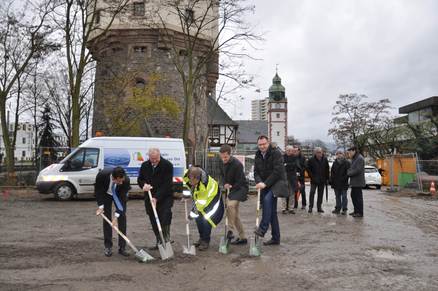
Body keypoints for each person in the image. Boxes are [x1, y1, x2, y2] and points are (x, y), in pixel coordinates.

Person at [253, 135, 288, 246]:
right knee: (272, 213)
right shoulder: (257, 155)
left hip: (278, 182)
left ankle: (262, 229)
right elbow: (256, 172)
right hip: (265, 184)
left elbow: (277, 171)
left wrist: (265, 183)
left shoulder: (276, 153)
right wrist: (259, 182)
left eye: (264, 144)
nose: (262, 146)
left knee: (268, 201)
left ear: (268, 143)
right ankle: (276, 238)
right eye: (260, 145)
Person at [137, 148, 174, 249]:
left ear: (159, 156)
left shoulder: (167, 165)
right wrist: (143, 185)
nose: (154, 161)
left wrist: (156, 198)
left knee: (165, 216)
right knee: (153, 219)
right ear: (149, 157)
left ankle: (166, 239)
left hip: (165, 196)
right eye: (152, 159)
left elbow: (167, 185)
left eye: (156, 159)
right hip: (149, 196)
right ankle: (159, 241)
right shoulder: (145, 165)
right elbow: (140, 179)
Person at [184, 166, 224, 250]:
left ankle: (205, 241)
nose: (192, 184)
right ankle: (201, 238)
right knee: (198, 218)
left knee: (206, 219)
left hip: (212, 201)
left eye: (194, 182)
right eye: (190, 181)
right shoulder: (187, 175)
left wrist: (191, 215)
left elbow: (200, 204)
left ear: (198, 179)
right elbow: (186, 185)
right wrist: (185, 195)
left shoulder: (205, 185)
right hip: (201, 201)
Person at [95, 166, 131, 257]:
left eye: (122, 180)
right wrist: (100, 206)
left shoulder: (125, 180)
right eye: (119, 181)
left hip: (119, 195)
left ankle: (122, 247)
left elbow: (122, 200)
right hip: (106, 194)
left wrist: (116, 216)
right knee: (107, 218)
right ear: (113, 178)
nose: (121, 182)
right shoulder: (102, 175)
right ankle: (108, 247)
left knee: (122, 216)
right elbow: (98, 191)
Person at [219, 144, 248, 245]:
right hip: (230, 189)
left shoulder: (237, 164)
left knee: (230, 206)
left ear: (230, 155)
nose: (223, 159)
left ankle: (230, 231)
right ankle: (243, 237)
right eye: (222, 157)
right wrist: (225, 184)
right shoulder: (222, 163)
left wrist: (231, 186)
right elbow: (222, 176)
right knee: (234, 215)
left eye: (225, 157)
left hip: (240, 189)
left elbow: (240, 181)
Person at [306, 147, 330, 213]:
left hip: (322, 180)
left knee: (320, 194)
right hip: (314, 180)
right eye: (318, 152)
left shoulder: (325, 159)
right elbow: (308, 169)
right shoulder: (311, 160)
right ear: (315, 153)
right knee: (312, 193)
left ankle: (319, 207)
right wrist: (312, 177)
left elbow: (327, 169)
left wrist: (327, 178)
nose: (319, 154)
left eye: (320, 152)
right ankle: (310, 207)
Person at [330, 149, 350, 215]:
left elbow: (348, 173)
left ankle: (344, 209)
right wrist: (331, 180)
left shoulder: (346, 162)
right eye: (337, 154)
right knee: (337, 196)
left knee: (344, 196)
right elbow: (332, 172)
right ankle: (338, 208)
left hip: (344, 182)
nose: (339, 155)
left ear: (343, 154)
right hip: (336, 183)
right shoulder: (334, 163)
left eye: (340, 153)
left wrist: (344, 178)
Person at [347, 146, 365, 218]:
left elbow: (357, 170)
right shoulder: (354, 158)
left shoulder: (360, 158)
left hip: (358, 182)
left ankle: (360, 212)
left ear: (354, 151)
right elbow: (351, 168)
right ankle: (356, 211)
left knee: (358, 197)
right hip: (354, 182)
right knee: (353, 196)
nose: (349, 154)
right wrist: (349, 171)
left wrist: (348, 173)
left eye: (350, 152)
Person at [283, 145, 299, 214]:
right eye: (288, 150)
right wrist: (289, 165)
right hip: (284, 177)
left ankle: (291, 208)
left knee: (292, 194)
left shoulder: (295, 157)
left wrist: (287, 165)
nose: (290, 152)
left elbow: (295, 165)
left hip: (292, 178)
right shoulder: (282, 157)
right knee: (283, 194)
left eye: (291, 150)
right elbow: (282, 166)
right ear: (286, 150)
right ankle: (284, 208)